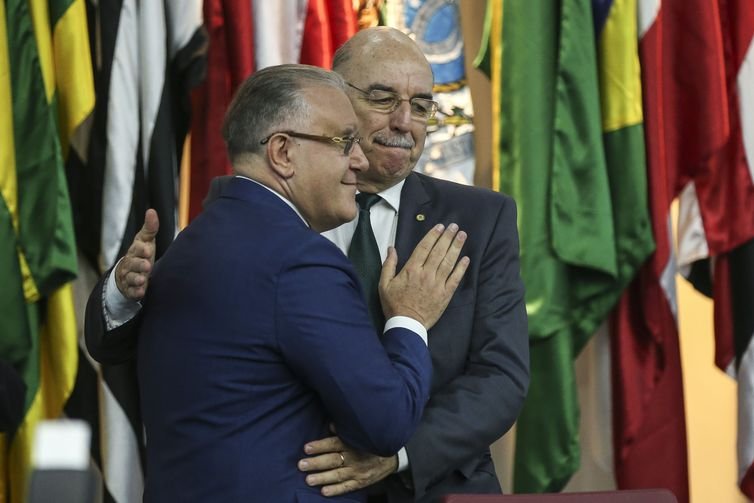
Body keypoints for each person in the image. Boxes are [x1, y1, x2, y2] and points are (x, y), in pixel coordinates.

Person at [89, 27, 530, 502]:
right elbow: (181, 343)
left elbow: (501, 375)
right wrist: (122, 292)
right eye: (383, 99)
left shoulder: (480, 219)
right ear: (335, 97)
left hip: (427, 486)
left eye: (422, 106)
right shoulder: (259, 222)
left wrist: (398, 455)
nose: (405, 121)